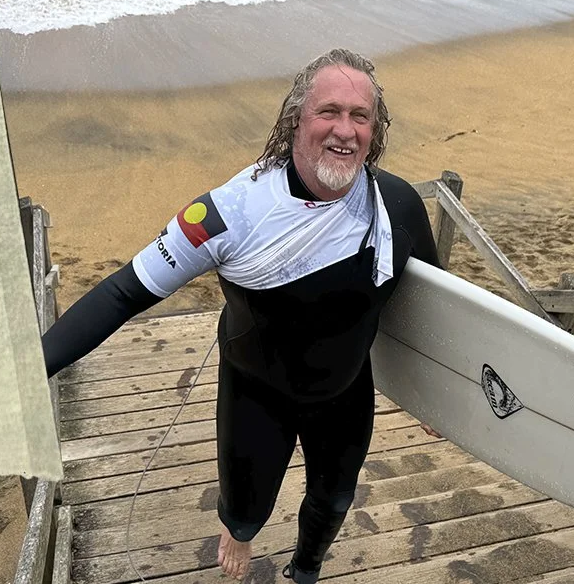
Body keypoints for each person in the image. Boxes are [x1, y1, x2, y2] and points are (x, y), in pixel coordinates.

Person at [39, 48, 443, 583]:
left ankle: (305, 570)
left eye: (359, 116)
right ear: (296, 118)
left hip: (345, 389)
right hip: (257, 388)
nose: (344, 130)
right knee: (246, 507)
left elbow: (437, 309)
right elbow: (121, 293)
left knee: (335, 498)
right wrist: (25, 372)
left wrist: (436, 395)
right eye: (329, 112)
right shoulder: (231, 211)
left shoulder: (397, 207)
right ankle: (240, 530)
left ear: (375, 129)